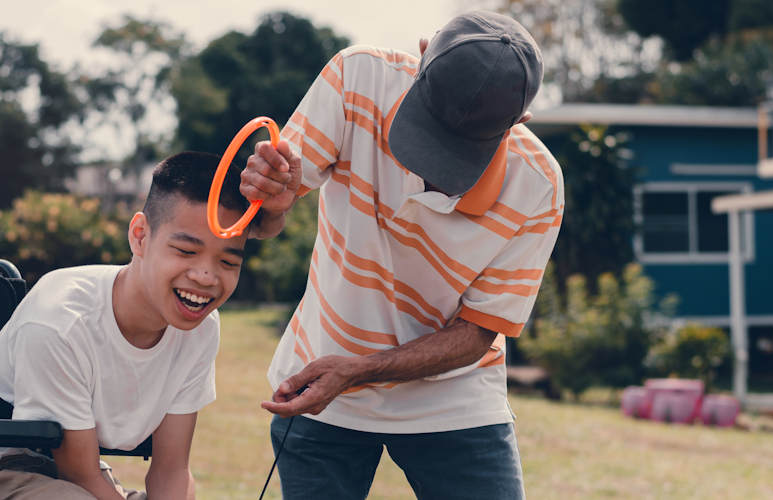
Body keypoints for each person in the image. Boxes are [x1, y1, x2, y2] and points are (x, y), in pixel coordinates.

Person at [240, 11, 562, 500]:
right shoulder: (356, 78)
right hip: (319, 377)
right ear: (421, 52)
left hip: (454, 398)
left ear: (519, 121)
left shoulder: (537, 185)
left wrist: (359, 370)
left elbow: (477, 333)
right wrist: (271, 203)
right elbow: (265, 221)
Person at [0, 151, 252, 500]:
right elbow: (79, 474)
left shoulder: (201, 330)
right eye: (185, 251)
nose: (206, 277)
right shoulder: (61, 319)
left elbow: (172, 470)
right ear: (140, 236)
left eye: (228, 261)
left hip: (80, 478)